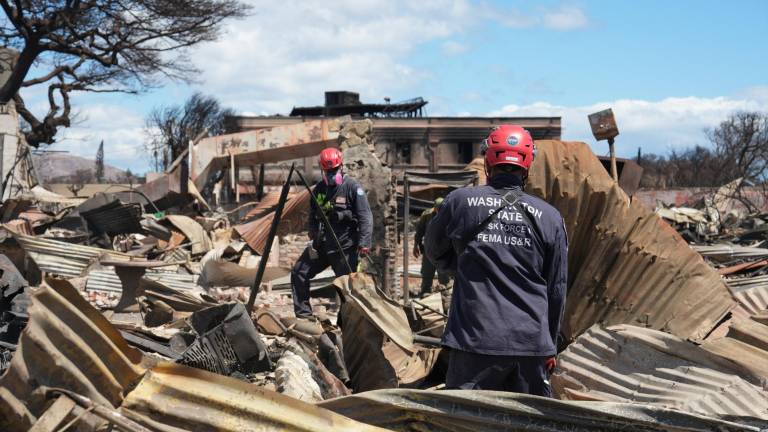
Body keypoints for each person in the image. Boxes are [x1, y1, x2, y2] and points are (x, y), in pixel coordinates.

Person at [424, 124, 568, 396]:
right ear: (528, 164)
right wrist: (549, 344)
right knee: (529, 425)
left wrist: (464, 268)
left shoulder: (459, 202)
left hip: (473, 344)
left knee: (465, 423)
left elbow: (433, 251)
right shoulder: (550, 217)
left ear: (488, 161)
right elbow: (556, 288)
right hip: (530, 346)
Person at [290, 148, 373, 318]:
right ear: (322, 170)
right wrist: (312, 232)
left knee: (346, 289)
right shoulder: (319, 189)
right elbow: (312, 214)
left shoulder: (352, 187)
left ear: (341, 167)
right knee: (299, 272)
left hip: (344, 248)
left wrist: (364, 243)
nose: (330, 174)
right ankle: (304, 315)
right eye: (327, 171)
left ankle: (348, 324)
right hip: (323, 245)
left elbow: (365, 216)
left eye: (334, 170)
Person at [413, 197, 450, 296]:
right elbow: (420, 231)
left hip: (444, 250)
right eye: (437, 209)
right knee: (427, 272)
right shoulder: (427, 215)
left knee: (444, 273)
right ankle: (425, 293)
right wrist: (416, 244)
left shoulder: (449, 214)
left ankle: (446, 293)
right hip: (429, 248)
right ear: (434, 208)